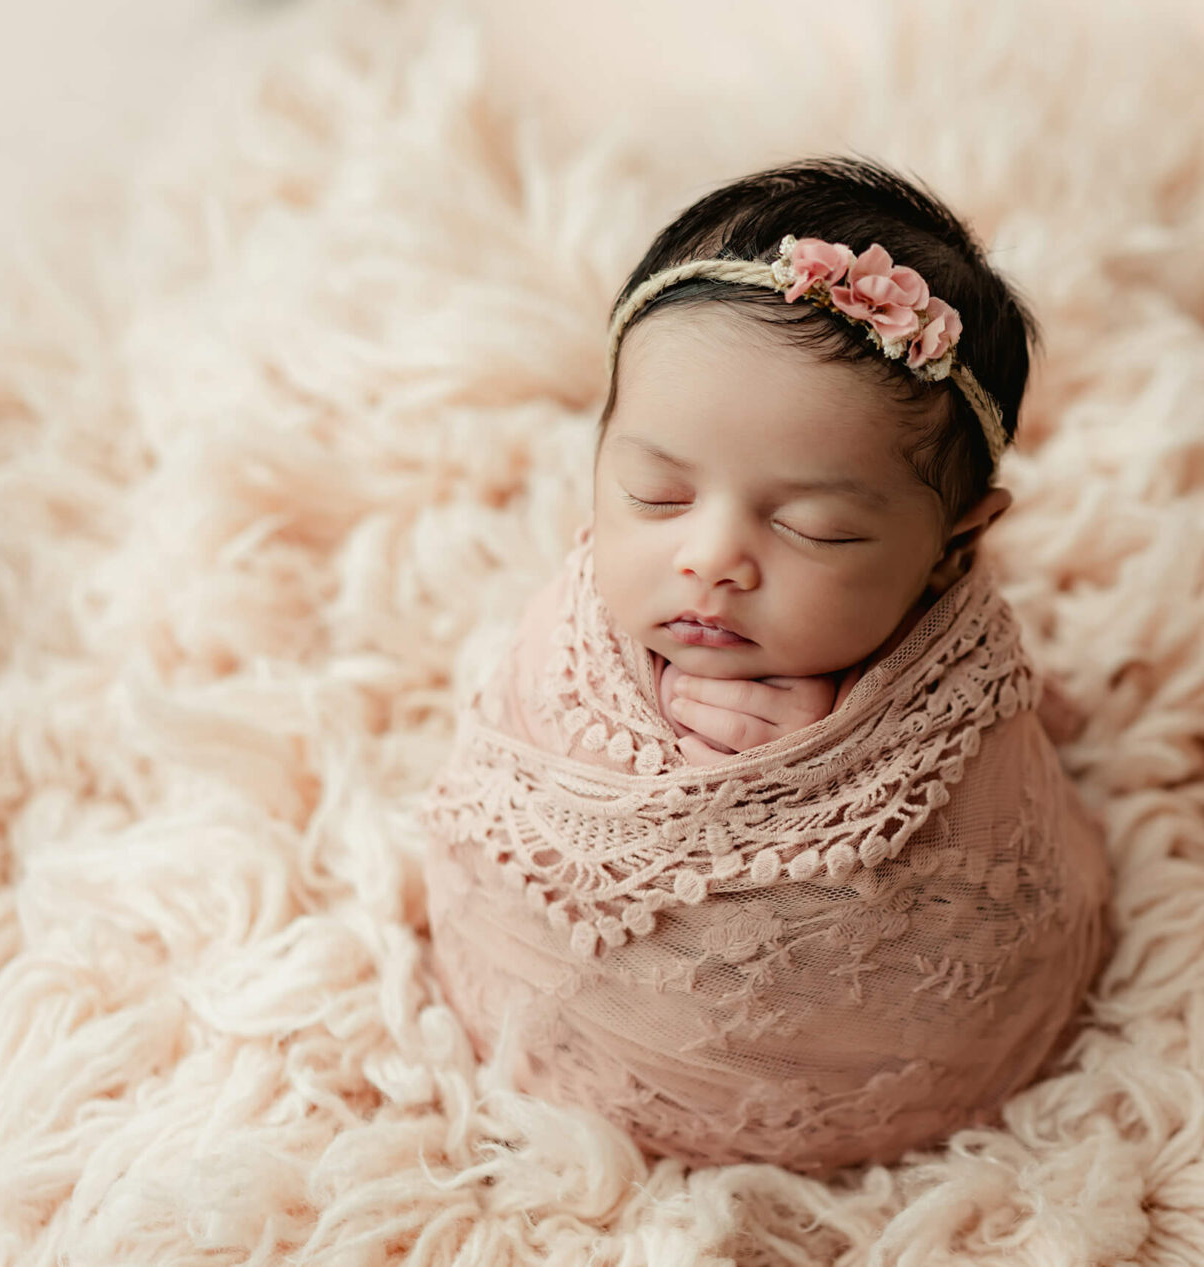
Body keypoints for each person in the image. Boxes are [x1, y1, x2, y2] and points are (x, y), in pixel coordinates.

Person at [422, 158, 1111, 1172]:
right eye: (656, 494)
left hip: (859, 1063)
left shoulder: (961, 696)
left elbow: (980, 874)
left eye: (816, 528)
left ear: (952, 550)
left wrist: (832, 771)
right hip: (570, 1036)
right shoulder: (577, 630)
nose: (710, 559)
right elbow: (519, 766)